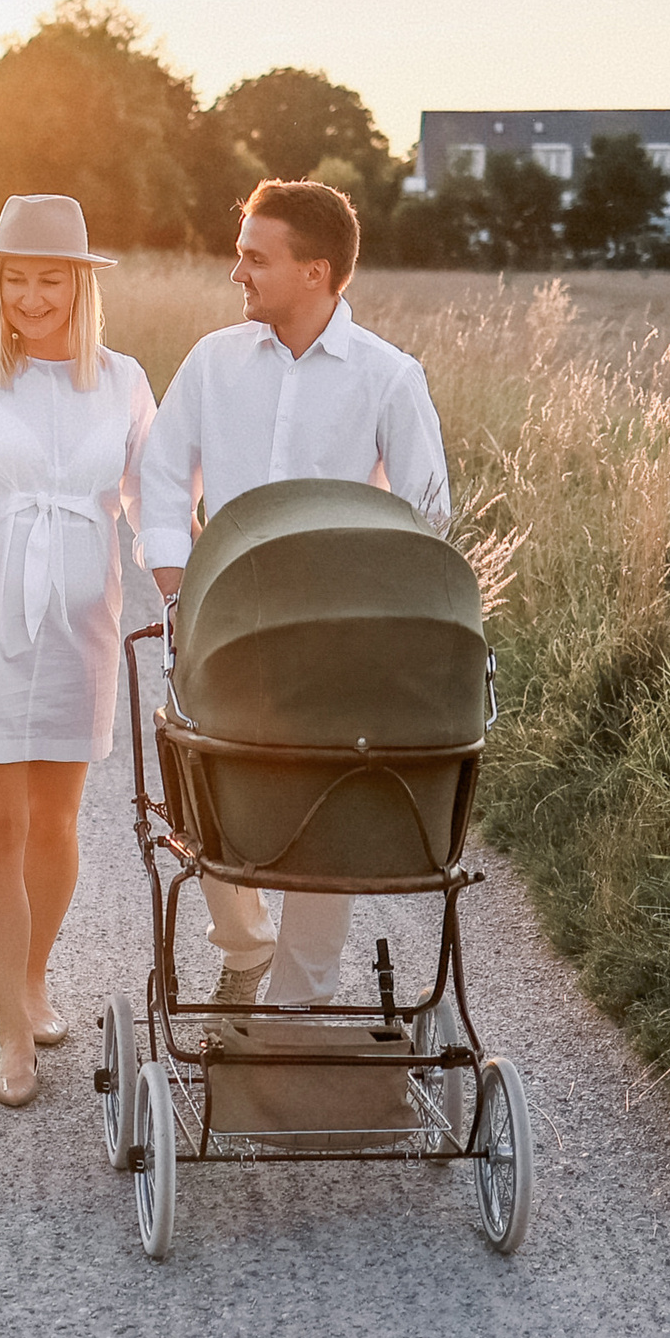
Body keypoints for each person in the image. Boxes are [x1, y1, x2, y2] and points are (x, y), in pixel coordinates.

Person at [140, 179, 451, 1006]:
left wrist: (377, 605)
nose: (236, 273)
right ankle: (244, 949)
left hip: (337, 637)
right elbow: (163, 479)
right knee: (206, 780)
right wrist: (179, 594)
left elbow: (429, 511)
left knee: (327, 800)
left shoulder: (388, 377)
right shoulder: (213, 363)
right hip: (222, 624)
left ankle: (301, 994)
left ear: (316, 271)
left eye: (254, 257)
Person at [0, 195, 157, 1108]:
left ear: (82, 284)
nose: (32, 297)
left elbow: (150, 502)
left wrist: (190, 593)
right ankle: (11, 1029)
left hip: (77, 625)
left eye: (51, 279)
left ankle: (34, 975)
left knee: (55, 823)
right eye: (15, 279)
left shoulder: (123, 380)